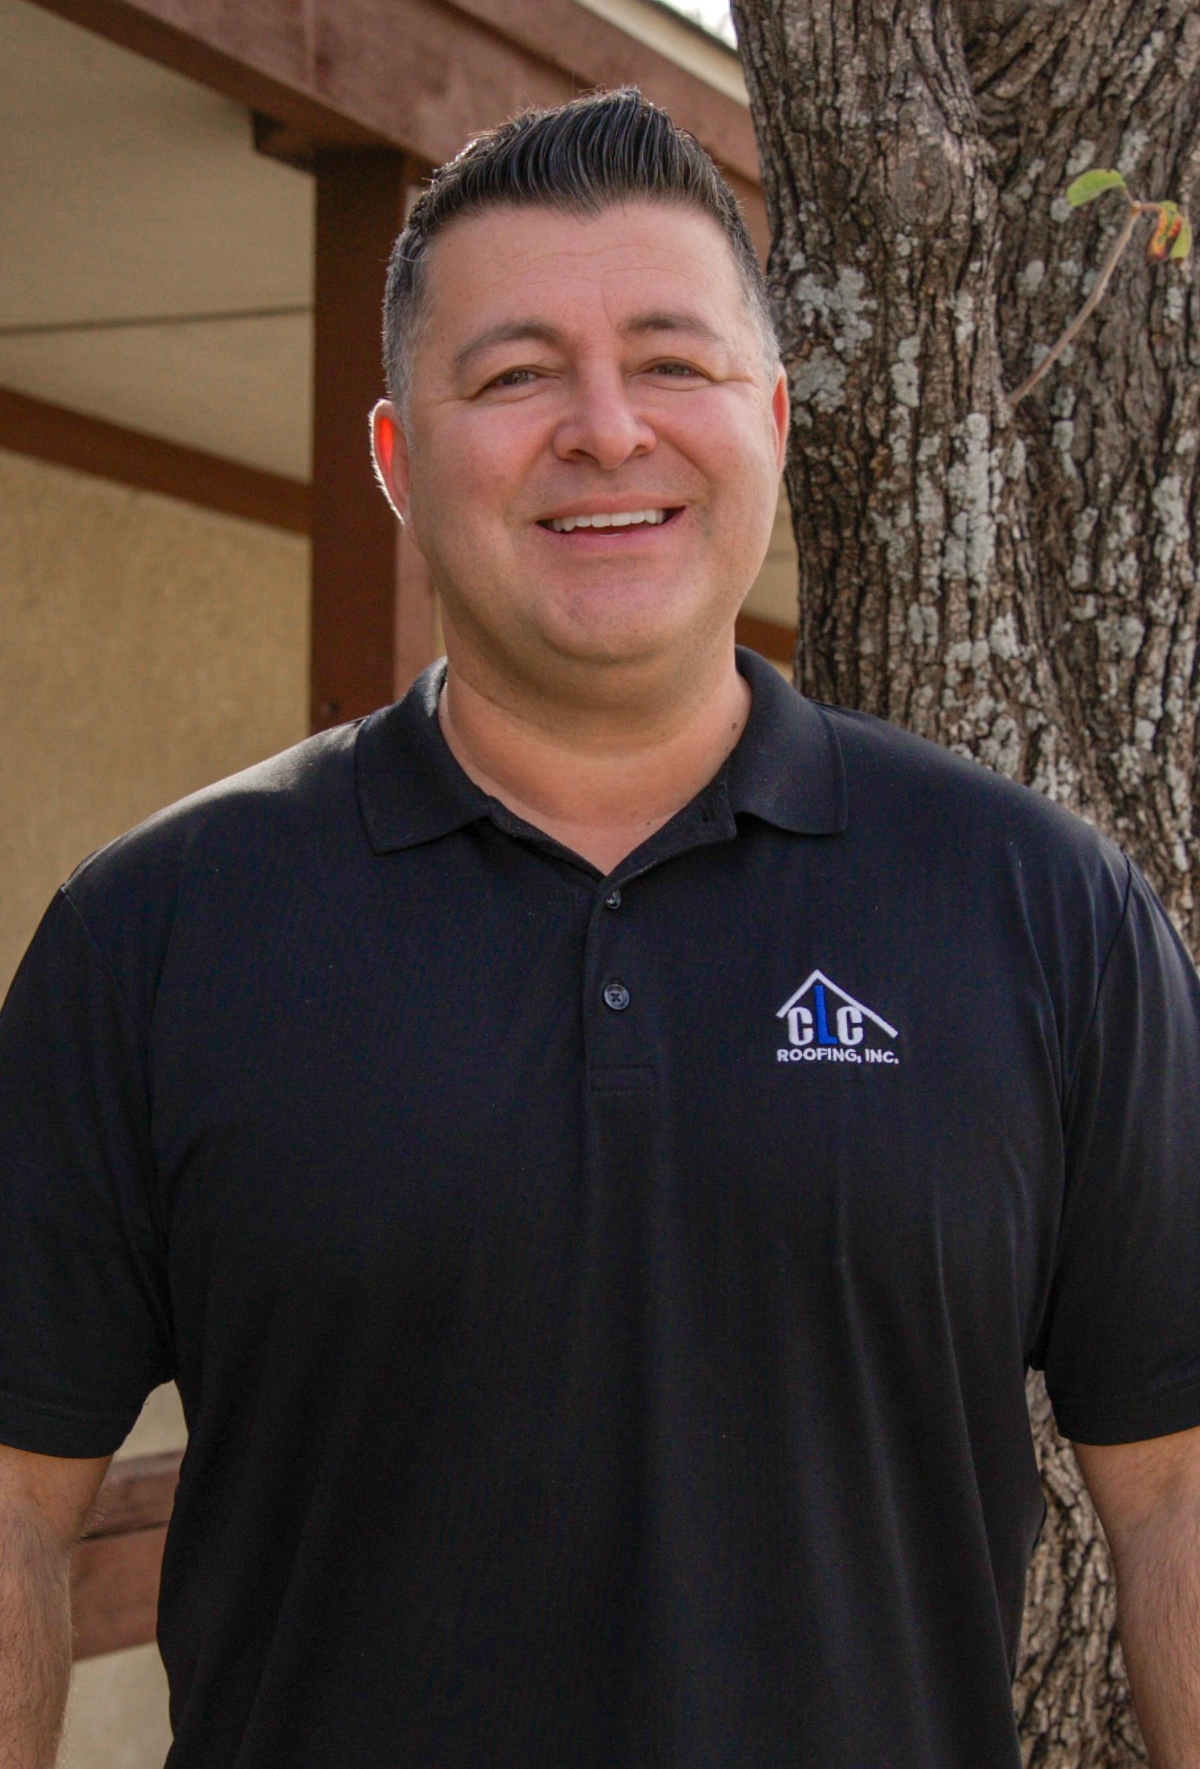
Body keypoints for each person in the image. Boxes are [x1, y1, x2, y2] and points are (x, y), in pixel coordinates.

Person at [0, 88, 1198, 1769]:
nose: (607, 429)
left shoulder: (1041, 912)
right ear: (397, 460)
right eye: (515, 376)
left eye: (671, 362)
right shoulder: (157, 937)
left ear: (772, 421)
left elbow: (1176, 1489)